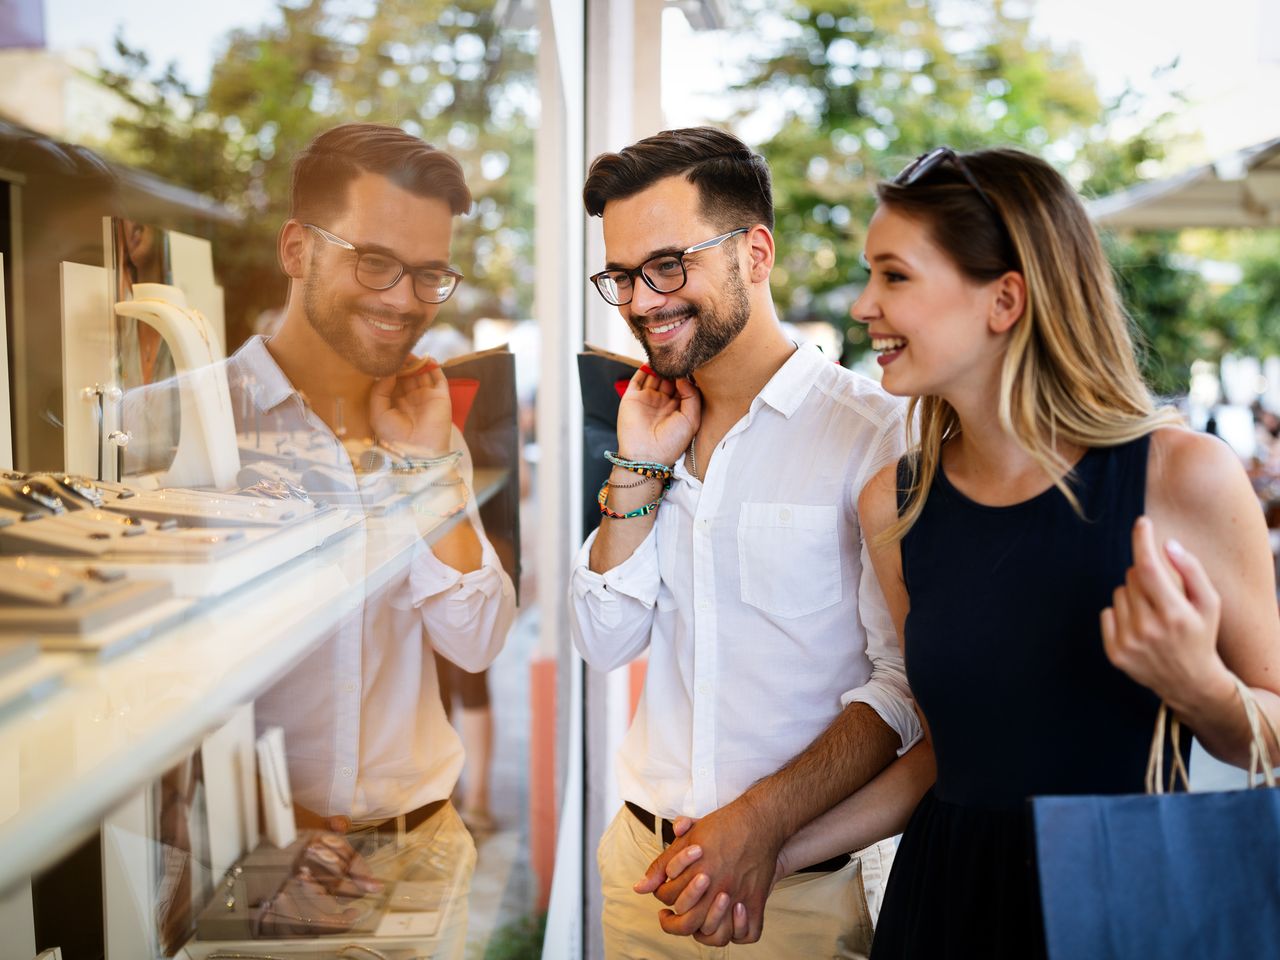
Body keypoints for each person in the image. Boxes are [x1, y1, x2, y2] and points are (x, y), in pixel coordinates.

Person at [656, 146, 1280, 957]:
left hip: (1124, 903)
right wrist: (771, 850)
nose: (863, 303)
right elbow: (945, 757)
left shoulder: (1180, 476)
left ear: (1005, 299)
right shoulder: (896, 501)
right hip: (944, 909)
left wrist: (1202, 689)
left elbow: (1268, 725)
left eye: (895, 275)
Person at [126, 122, 517, 956]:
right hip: (243, 864)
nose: (404, 299)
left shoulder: (425, 426)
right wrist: (259, 823)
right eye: (374, 261)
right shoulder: (168, 425)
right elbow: (134, 689)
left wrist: (428, 472)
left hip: (418, 855)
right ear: (298, 248)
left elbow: (477, 640)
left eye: (429, 274)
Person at [568, 126, 919, 959]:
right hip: (638, 875)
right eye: (621, 275)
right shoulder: (649, 426)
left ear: (754, 252)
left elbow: (905, 688)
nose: (640, 301)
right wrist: (637, 471)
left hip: (791, 892)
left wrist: (763, 826)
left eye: (667, 265)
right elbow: (605, 640)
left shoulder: (877, 437)